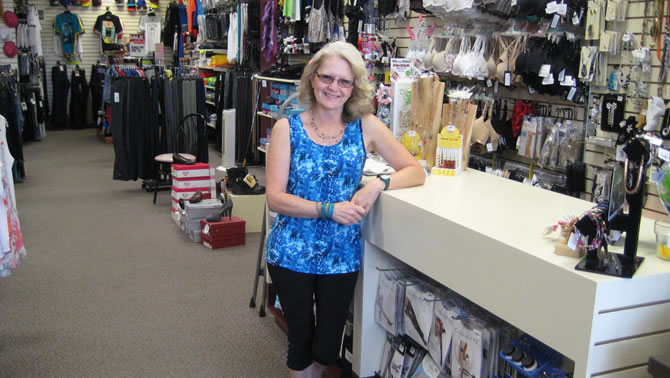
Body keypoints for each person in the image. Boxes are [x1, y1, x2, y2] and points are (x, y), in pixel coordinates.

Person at [265, 40, 425, 378]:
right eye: (327, 78)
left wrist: (378, 184)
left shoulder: (364, 126)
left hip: (341, 254)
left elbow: (414, 170)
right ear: (312, 78)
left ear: (354, 88)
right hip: (292, 250)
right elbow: (275, 198)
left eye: (344, 81)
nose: (333, 88)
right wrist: (328, 209)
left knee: (328, 343)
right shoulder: (287, 128)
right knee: (300, 339)